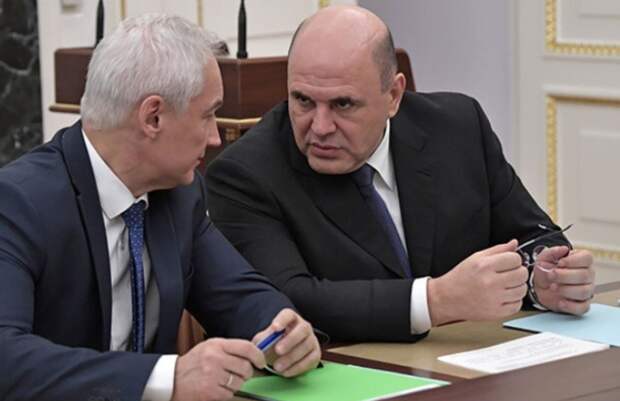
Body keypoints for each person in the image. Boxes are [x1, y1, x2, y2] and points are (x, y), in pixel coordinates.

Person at [205, 5, 595, 342]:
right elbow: (285, 302)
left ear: (393, 95)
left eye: (343, 104)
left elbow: (533, 236)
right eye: (303, 100)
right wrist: (436, 301)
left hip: (472, 365)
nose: (319, 127)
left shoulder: (458, 126)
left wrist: (545, 280)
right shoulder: (245, 174)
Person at [0, 14, 320, 401]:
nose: (216, 138)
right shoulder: (17, 203)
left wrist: (284, 331)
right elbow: (7, 358)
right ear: (153, 117)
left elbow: (239, 295)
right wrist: (167, 377)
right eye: (208, 115)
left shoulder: (178, 194)